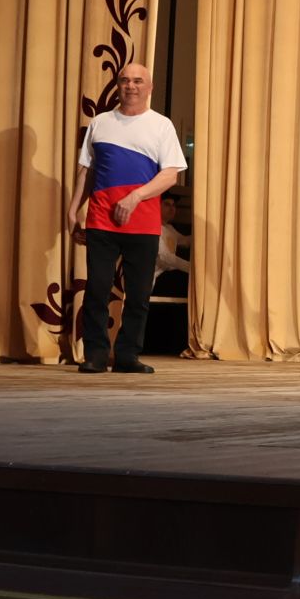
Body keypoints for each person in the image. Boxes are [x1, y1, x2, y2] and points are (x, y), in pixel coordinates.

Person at [68, 62, 186, 374]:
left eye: (137, 81)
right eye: (124, 80)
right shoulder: (101, 122)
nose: (130, 86)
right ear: (117, 85)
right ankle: (94, 354)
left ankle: (127, 355)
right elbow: (87, 171)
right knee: (97, 288)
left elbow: (170, 175)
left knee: (138, 293)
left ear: (149, 88)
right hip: (101, 220)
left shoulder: (161, 126)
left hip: (143, 222)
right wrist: (72, 209)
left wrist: (135, 196)